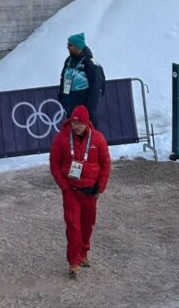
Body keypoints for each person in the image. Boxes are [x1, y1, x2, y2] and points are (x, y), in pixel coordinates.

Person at [49, 104, 111, 278]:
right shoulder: (61, 138)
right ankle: (74, 261)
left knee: (87, 224)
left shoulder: (98, 138)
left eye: (80, 124)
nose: (76, 126)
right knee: (73, 226)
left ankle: (83, 252)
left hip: (90, 192)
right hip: (71, 191)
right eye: (74, 123)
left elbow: (106, 164)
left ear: (87, 123)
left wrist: (100, 187)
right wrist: (65, 187)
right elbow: (54, 165)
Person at [58, 33, 101, 122]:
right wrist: (62, 98)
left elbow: (96, 87)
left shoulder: (89, 62)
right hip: (71, 109)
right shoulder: (68, 61)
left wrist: (90, 110)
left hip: (85, 111)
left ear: (78, 47)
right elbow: (63, 79)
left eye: (70, 45)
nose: (67, 47)